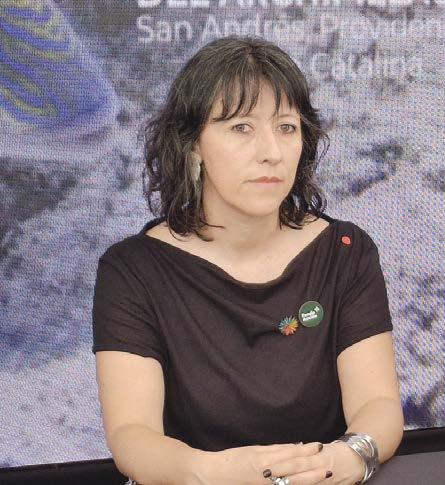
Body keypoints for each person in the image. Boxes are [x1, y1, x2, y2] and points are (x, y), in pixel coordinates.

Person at [92, 35, 404, 485]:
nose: (271, 152)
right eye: (241, 127)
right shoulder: (132, 270)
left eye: (286, 127)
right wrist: (214, 473)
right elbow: (132, 436)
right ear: (192, 145)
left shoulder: (345, 251)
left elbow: (378, 404)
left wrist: (347, 458)